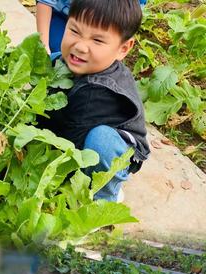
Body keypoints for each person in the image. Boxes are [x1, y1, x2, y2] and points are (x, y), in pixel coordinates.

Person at [37, 0, 150, 202]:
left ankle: (105, 194)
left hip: (118, 147)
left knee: (100, 142)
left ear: (123, 49)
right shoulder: (61, 62)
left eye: (97, 41)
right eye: (74, 31)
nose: (80, 46)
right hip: (79, 125)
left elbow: (69, 141)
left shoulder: (99, 91)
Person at [36, 0, 148, 55]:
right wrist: (44, 46)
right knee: (59, 52)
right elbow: (45, 2)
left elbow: (130, 21)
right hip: (64, 16)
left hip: (103, 26)